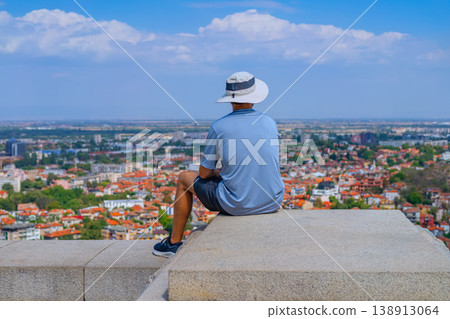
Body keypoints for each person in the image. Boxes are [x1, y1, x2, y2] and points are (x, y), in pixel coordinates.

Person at [153, 71, 285, 257]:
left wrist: (218, 172)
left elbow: (204, 174)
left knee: (184, 178)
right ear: (254, 98)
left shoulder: (219, 126)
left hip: (237, 204)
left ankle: (173, 243)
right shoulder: (270, 122)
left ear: (230, 100)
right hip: (272, 201)